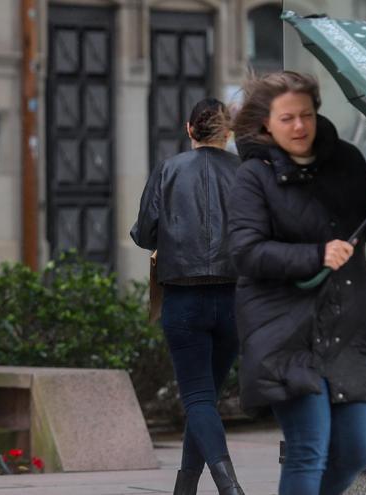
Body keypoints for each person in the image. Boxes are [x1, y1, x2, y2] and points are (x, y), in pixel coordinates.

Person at [227, 71, 366, 495]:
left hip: (347, 328)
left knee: (356, 449)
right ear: (265, 123)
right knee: (309, 449)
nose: (299, 126)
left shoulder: (346, 161)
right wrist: (316, 255)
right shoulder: (253, 177)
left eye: (306, 115)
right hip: (284, 330)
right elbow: (246, 252)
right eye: (287, 118)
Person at [131, 98, 245, 495]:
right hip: (234, 298)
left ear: (189, 128)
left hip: (183, 298)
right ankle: (185, 488)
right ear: (227, 132)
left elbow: (144, 233)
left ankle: (229, 486)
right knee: (205, 399)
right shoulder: (244, 172)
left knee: (197, 397)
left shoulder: (169, 169)